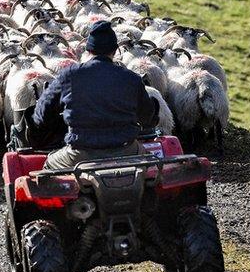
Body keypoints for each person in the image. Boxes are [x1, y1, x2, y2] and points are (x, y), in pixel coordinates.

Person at [33, 20, 158, 170]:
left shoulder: (69, 75)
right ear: (115, 50)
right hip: (127, 150)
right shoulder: (131, 78)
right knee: (151, 165)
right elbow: (148, 119)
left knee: (49, 164)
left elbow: (41, 116)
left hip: (81, 154)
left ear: (88, 50)